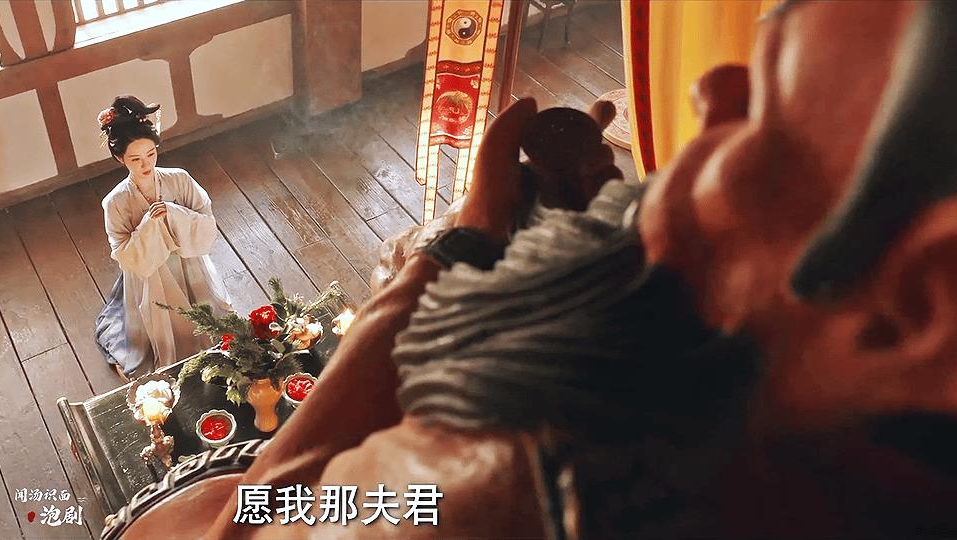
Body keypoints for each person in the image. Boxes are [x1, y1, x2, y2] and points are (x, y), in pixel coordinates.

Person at [103, 2, 957, 538]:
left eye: (767, 111)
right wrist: (614, 237)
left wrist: (452, 250)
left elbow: (259, 513)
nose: (708, 96)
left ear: (924, 302)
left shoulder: (502, 481)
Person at [95, 95, 232, 380]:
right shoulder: (115, 202)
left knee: (212, 324)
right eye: (135, 159)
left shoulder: (179, 179)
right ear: (120, 158)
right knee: (164, 333)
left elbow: (207, 222)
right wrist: (149, 225)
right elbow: (124, 256)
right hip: (150, 277)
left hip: (189, 265)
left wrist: (173, 213)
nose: (146, 164)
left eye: (151, 154)